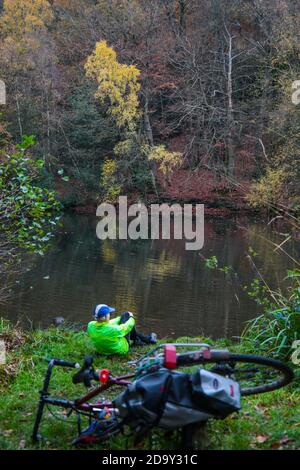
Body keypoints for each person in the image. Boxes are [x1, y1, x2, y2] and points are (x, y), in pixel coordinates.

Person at [87, 304, 157, 355]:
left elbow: (108, 324)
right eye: (108, 313)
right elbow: (127, 326)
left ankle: (142, 339)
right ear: (104, 317)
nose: (110, 314)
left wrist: (120, 318)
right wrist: (131, 317)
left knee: (124, 316)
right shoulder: (113, 330)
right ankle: (148, 339)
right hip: (120, 349)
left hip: (102, 351)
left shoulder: (90, 325)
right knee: (127, 317)